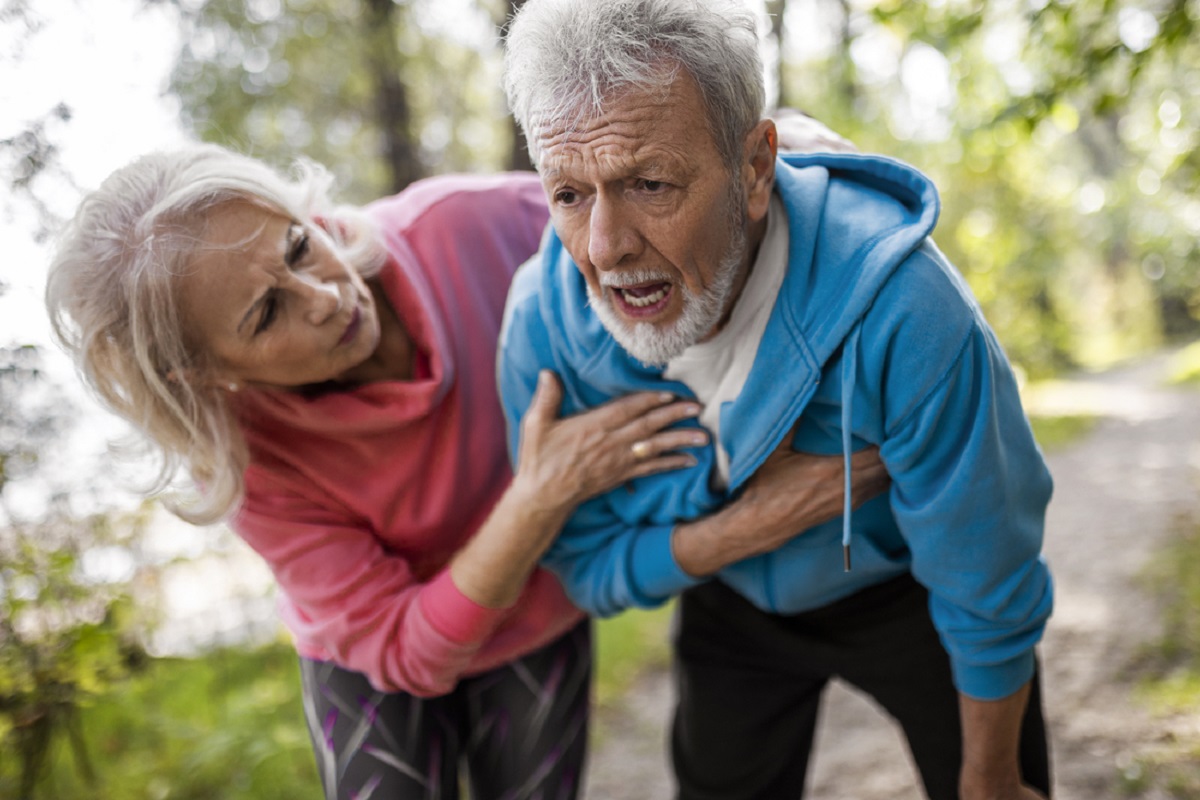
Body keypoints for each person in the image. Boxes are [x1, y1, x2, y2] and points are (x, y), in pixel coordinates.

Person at [43, 143, 883, 799]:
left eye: (299, 246)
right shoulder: (246, 461)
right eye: (266, 314)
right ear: (203, 373)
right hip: (378, 653)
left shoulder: (469, 226)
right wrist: (541, 494)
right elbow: (406, 650)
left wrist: (783, 163)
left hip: (533, 615)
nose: (325, 296)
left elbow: (652, 224)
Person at [497, 1, 1055, 799]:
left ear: (756, 167)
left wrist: (993, 775)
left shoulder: (907, 306)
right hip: (730, 599)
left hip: (908, 591)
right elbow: (583, 566)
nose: (603, 249)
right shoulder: (543, 326)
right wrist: (750, 526)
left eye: (649, 183)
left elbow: (986, 565)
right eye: (569, 195)